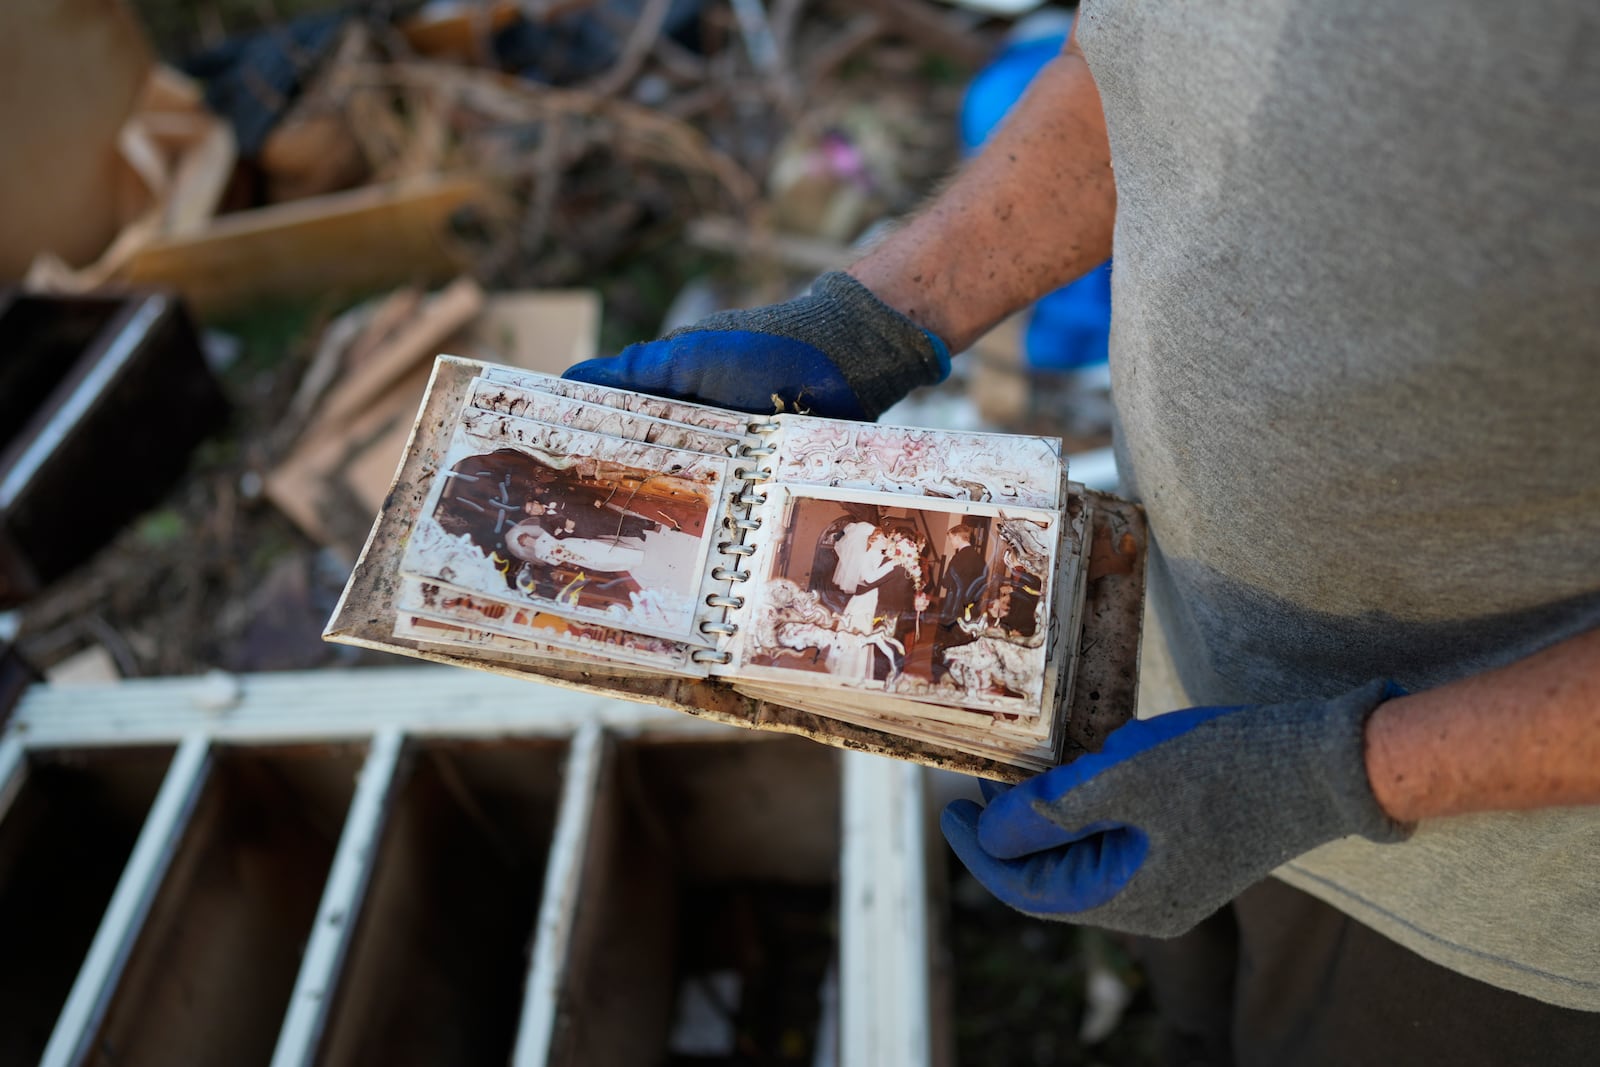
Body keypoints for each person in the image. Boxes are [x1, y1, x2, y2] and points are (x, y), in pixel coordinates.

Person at [563, 3, 1600, 1062]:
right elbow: (1134, 61)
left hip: (1481, 878)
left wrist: (1340, 774)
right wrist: (875, 317)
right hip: (1168, 647)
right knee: (1197, 999)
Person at [932, 522, 988, 684]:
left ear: (957, 537)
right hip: (971, 609)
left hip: (954, 609)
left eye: (951, 539)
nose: (951, 542)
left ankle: (944, 680)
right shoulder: (979, 559)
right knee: (965, 645)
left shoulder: (958, 558)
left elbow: (946, 582)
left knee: (947, 645)